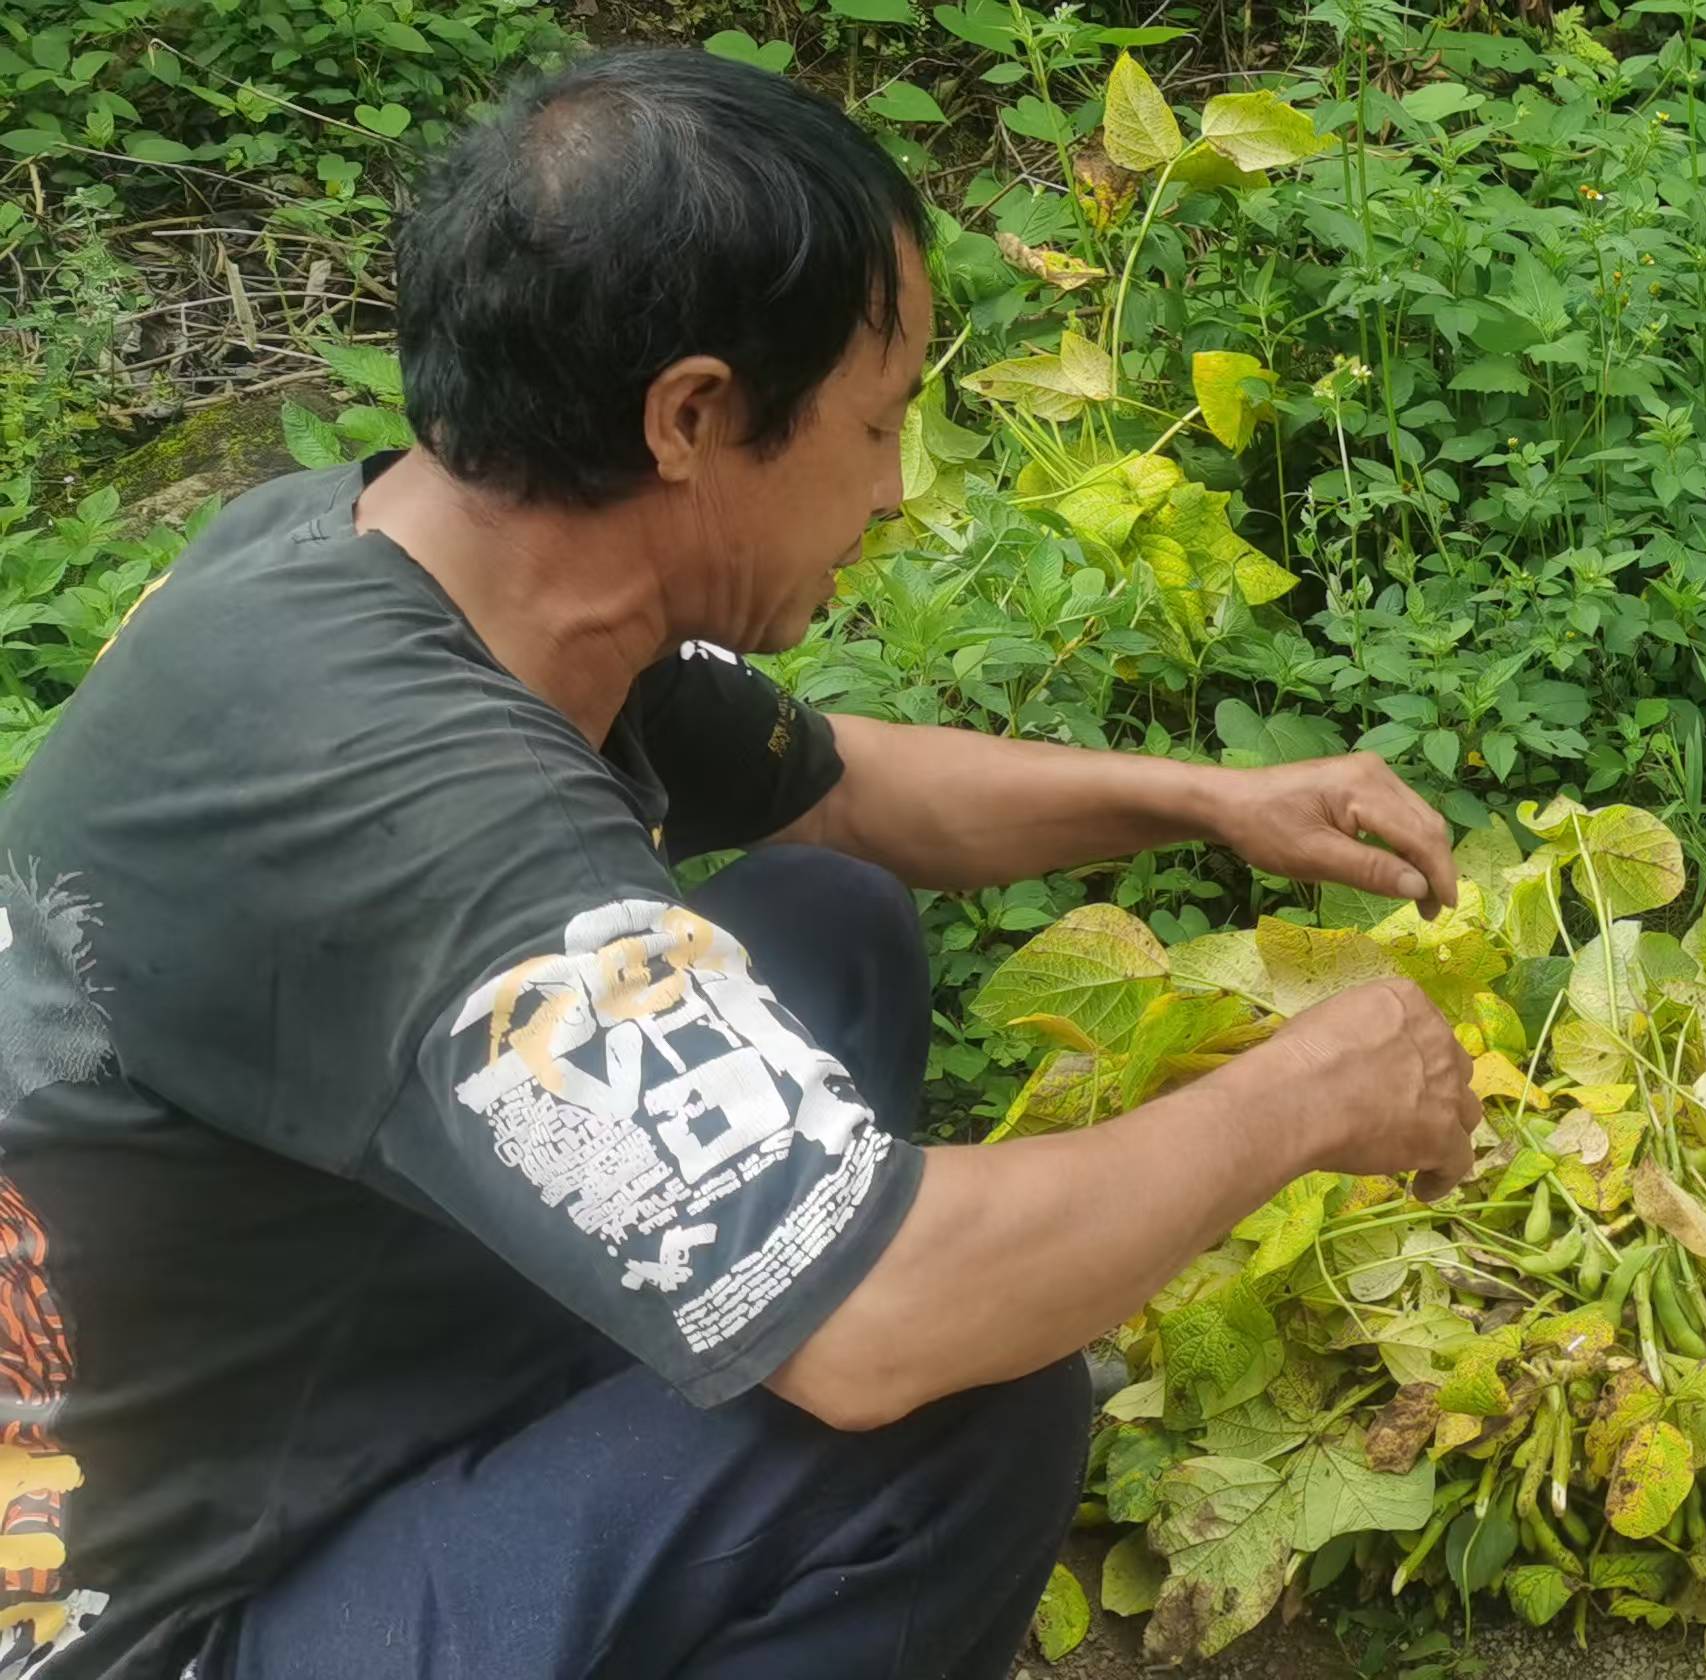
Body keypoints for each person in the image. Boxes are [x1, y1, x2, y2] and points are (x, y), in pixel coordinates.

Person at [0, 48, 1482, 1680]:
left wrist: (1217, 800)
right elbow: (884, 1328)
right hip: (159, 1618)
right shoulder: (412, 811)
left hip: (285, 1366)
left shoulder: (416, 564)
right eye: (876, 423)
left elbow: (843, 791)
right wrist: (1310, 1097)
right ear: (693, 415)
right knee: (953, 1425)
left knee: (822, 926)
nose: (896, 490)